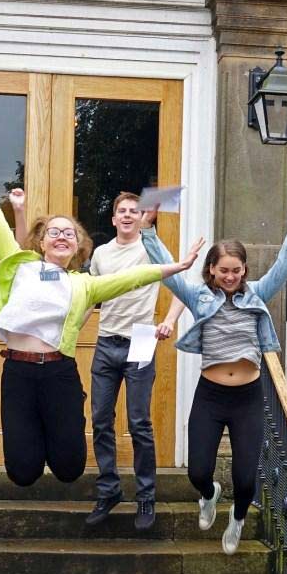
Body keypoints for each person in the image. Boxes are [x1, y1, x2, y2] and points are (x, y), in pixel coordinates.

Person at [0, 151, 203, 487]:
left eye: (69, 233)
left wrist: (174, 268)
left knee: (70, 468)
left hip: (60, 374)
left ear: (78, 247)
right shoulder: (19, 264)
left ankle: (60, 426)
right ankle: (36, 436)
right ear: (42, 241)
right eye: (54, 232)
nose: (62, 236)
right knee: (22, 473)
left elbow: (131, 278)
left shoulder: (84, 284)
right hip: (18, 373)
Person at [141, 190, 287, 554]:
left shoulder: (257, 295)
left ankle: (237, 518)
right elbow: (168, 273)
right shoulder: (198, 296)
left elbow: (284, 267)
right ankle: (208, 495)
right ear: (211, 270)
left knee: (245, 477)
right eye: (224, 270)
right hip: (211, 394)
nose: (230, 276)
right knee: (198, 472)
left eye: (236, 271)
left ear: (244, 272)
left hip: (248, 397)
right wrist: (148, 230)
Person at [84, 192, 186, 531]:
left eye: (134, 211)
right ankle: (109, 490)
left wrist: (169, 321)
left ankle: (145, 496)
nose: (128, 215)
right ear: (113, 219)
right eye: (121, 211)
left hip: (141, 340)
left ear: (143, 217)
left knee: (139, 421)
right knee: (100, 419)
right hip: (106, 341)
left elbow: (181, 288)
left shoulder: (150, 250)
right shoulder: (100, 254)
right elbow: (88, 298)